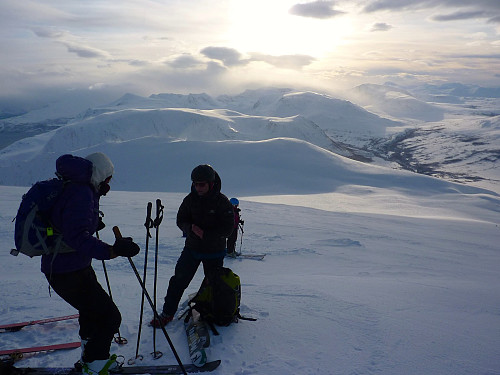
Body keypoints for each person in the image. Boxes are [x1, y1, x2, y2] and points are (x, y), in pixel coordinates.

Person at [41, 153, 140, 375]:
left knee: (91, 312)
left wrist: (91, 223)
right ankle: (96, 365)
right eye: (109, 179)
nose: (109, 185)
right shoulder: (81, 193)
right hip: (67, 270)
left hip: (67, 266)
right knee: (110, 316)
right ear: (100, 175)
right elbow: (77, 237)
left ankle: (90, 357)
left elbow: (67, 226)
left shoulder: (74, 187)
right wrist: (113, 250)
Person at [151, 164, 234, 327]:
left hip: (214, 252)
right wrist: (190, 228)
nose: (198, 187)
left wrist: (207, 235)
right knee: (178, 281)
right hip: (192, 249)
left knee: (215, 285)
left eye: (201, 184)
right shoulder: (190, 200)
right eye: (195, 184)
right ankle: (167, 313)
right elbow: (181, 219)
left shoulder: (222, 202)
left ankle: (215, 312)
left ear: (210, 184)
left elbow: (228, 228)